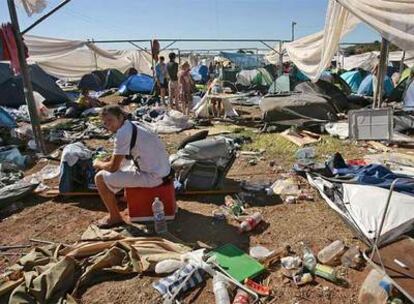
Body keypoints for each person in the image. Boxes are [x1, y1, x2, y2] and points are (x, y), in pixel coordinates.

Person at [93, 105, 171, 228]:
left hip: (153, 176)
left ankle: (115, 217)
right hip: (164, 169)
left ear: (120, 117)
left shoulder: (122, 133)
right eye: (105, 123)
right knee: (123, 165)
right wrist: (110, 162)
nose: (108, 125)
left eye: (110, 120)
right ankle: (126, 197)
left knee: (100, 178)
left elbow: (113, 167)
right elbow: (125, 156)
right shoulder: (133, 124)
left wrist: (98, 163)